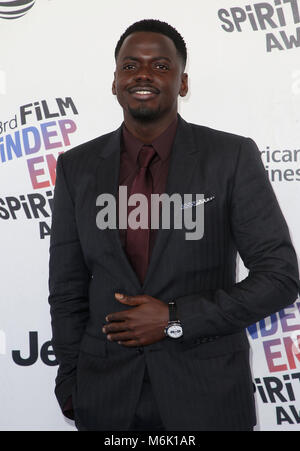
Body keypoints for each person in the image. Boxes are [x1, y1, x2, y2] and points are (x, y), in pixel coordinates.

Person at [48, 19, 299, 431]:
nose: (143, 74)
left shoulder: (230, 157)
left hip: (207, 397)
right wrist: (72, 386)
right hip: (106, 399)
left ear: (183, 83)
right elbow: (67, 288)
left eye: (161, 66)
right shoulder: (77, 168)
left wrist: (175, 318)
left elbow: (279, 278)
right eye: (130, 66)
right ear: (115, 83)